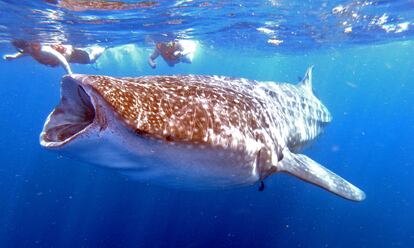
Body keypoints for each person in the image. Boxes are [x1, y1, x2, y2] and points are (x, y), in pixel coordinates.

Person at [3, 40, 105, 74]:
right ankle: (92, 48)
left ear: (30, 46)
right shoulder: (29, 50)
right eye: (21, 50)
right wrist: (14, 57)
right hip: (70, 57)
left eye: (25, 49)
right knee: (87, 55)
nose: (24, 51)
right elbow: (24, 53)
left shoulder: (45, 50)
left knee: (91, 59)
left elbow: (61, 60)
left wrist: (70, 73)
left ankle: (103, 48)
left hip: (73, 55)